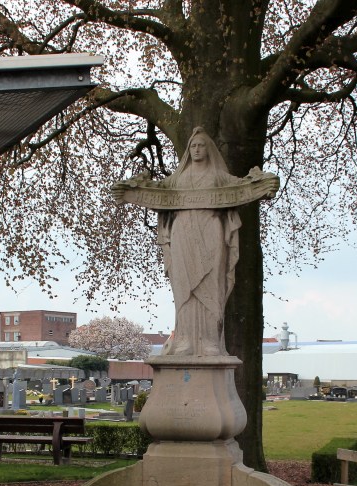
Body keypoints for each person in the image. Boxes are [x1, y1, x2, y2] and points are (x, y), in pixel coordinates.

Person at [113, 127, 278, 356]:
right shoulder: (178, 179)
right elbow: (154, 192)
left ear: (208, 149)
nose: (197, 149)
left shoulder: (218, 176)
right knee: (184, 289)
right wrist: (127, 191)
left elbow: (242, 188)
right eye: (193, 146)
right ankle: (185, 341)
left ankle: (209, 341)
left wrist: (264, 186)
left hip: (211, 232)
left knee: (212, 284)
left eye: (201, 145)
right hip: (183, 234)